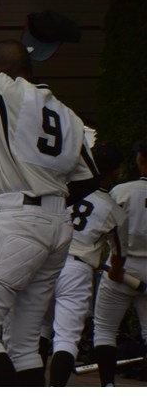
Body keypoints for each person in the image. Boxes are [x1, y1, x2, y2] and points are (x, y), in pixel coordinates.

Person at [0, 39, 99, 386]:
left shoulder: (9, 90)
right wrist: (52, 200)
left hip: (21, 218)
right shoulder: (69, 115)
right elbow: (89, 179)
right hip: (58, 224)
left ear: (1, 70)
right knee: (24, 344)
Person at [39, 142, 127, 386]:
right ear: (116, 172)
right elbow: (119, 255)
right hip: (77, 268)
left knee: (40, 329)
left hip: (46, 261)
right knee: (66, 339)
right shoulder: (113, 209)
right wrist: (117, 272)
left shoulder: (61, 190)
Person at [93, 136, 147, 386]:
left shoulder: (122, 191)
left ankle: (108, 385)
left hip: (120, 267)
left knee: (105, 329)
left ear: (141, 159)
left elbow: (105, 228)